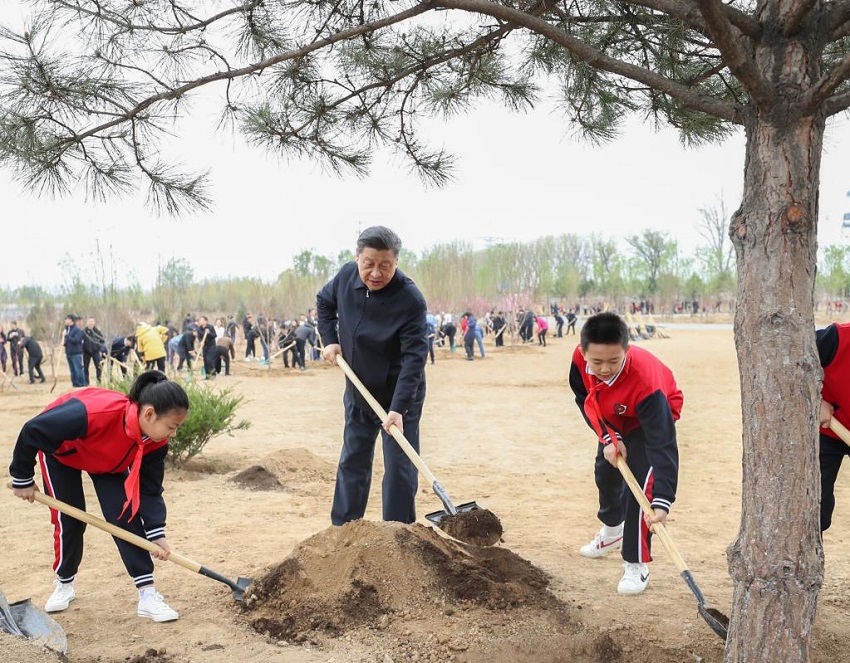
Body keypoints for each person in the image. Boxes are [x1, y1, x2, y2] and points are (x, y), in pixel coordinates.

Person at [8, 370, 189, 622]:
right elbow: (34, 430)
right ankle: (64, 582)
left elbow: (149, 489)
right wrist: (22, 478)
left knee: (124, 516)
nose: (173, 434)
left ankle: (147, 594)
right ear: (149, 414)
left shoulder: (155, 441)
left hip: (108, 463)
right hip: (63, 455)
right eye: (171, 426)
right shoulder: (94, 413)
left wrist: (156, 531)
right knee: (70, 520)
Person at [317, 225, 428, 526]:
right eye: (369, 264)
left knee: (400, 468)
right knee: (353, 459)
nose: (376, 273)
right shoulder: (345, 277)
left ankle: (398, 533)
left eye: (385, 266)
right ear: (357, 258)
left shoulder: (410, 300)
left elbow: (414, 360)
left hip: (398, 395)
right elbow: (324, 302)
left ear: (396, 262)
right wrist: (330, 339)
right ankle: (344, 529)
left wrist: (399, 408)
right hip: (358, 388)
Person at [569, 312, 683, 595]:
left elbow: (663, 443)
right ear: (584, 353)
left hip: (648, 419)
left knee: (639, 487)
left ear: (626, 350)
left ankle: (636, 563)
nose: (605, 368)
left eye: (614, 360)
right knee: (605, 472)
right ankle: (611, 533)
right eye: (596, 362)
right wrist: (609, 436)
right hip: (613, 414)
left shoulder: (646, 382)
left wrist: (663, 500)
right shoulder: (579, 361)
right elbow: (584, 399)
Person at [816, 322, 850, 532]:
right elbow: (787, 360)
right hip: (828, 430)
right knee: (816, 508)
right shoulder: (836, 338)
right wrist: (815, 399)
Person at [82, 317, 107, 385]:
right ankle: (86, 383)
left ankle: (99, 382)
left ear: (94, 323)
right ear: (87, 322)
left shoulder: (97, 332)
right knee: (85, 368)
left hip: (95, 352)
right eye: (89, 321)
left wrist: (99, 348)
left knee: (99, 367)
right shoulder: (84, 331)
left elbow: (102, 341)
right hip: (86, 352)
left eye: (92, 321)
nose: (91, 323)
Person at [64, 314, 86, 387]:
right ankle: (75, 384)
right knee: (72, 370)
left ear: (71, 321)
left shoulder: (77, 330)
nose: (66, 321)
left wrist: (67, 336)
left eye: (67, 319)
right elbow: (68, 341)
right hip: (69, 353)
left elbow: (76, 340)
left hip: (76, 353)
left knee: (78, 370)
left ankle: (81, 384)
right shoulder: (67, 329)